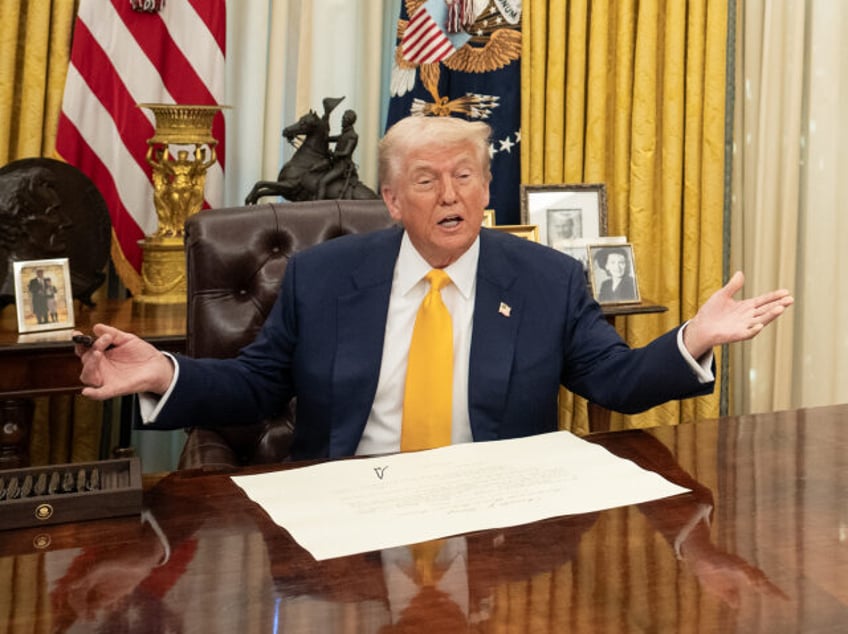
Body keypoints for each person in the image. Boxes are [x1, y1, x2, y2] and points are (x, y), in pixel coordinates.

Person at [74, 116, 793, 461]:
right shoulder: (323, 278)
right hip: (352, 501)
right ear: (391, 199)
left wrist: (693, 339)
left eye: (466, 176)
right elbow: (257, 386)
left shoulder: (547, 279)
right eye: (426, 179)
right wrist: (164, 370)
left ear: (485, 188)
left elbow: (617, 381)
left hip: (500, 517)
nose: (450, 194)